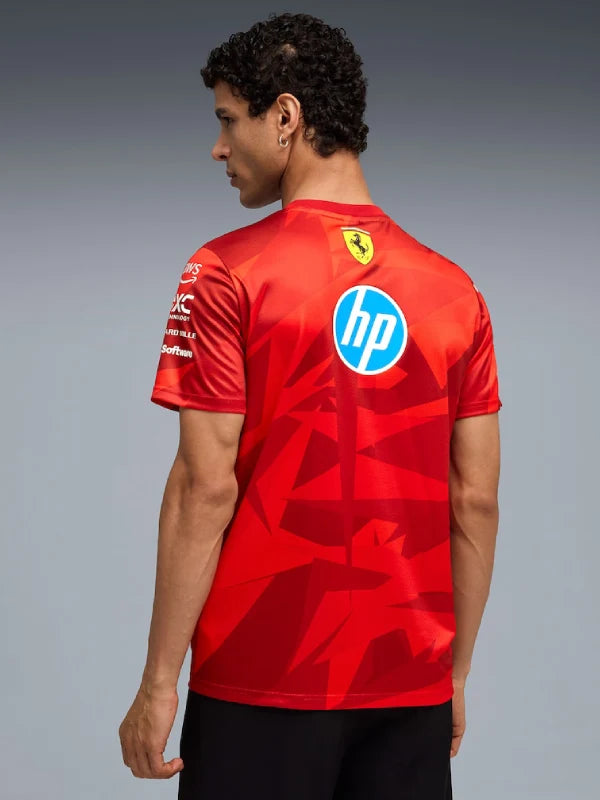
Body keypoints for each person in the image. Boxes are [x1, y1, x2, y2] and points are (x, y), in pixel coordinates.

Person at [118, 12, 502, 800]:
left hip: (260, 684)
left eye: (230, 120)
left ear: (285, 117)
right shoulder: (455, 291)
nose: (219, 147)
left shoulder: (223, 274)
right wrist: (453, 674)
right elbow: (476, 499)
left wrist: (159, 682)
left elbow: (203, 488)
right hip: (410, 691)